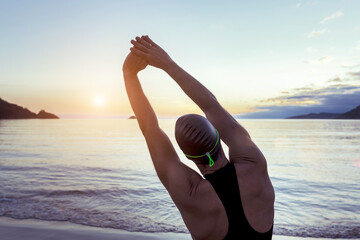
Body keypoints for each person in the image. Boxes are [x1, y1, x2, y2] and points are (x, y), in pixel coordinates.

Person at [122, 35, 275, 240]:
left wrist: (129, 74)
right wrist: (168, 64)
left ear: (187, 156)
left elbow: (150, 128)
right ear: (219, 137)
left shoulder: (190, 194)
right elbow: (211, 105)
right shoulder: (254, 165)